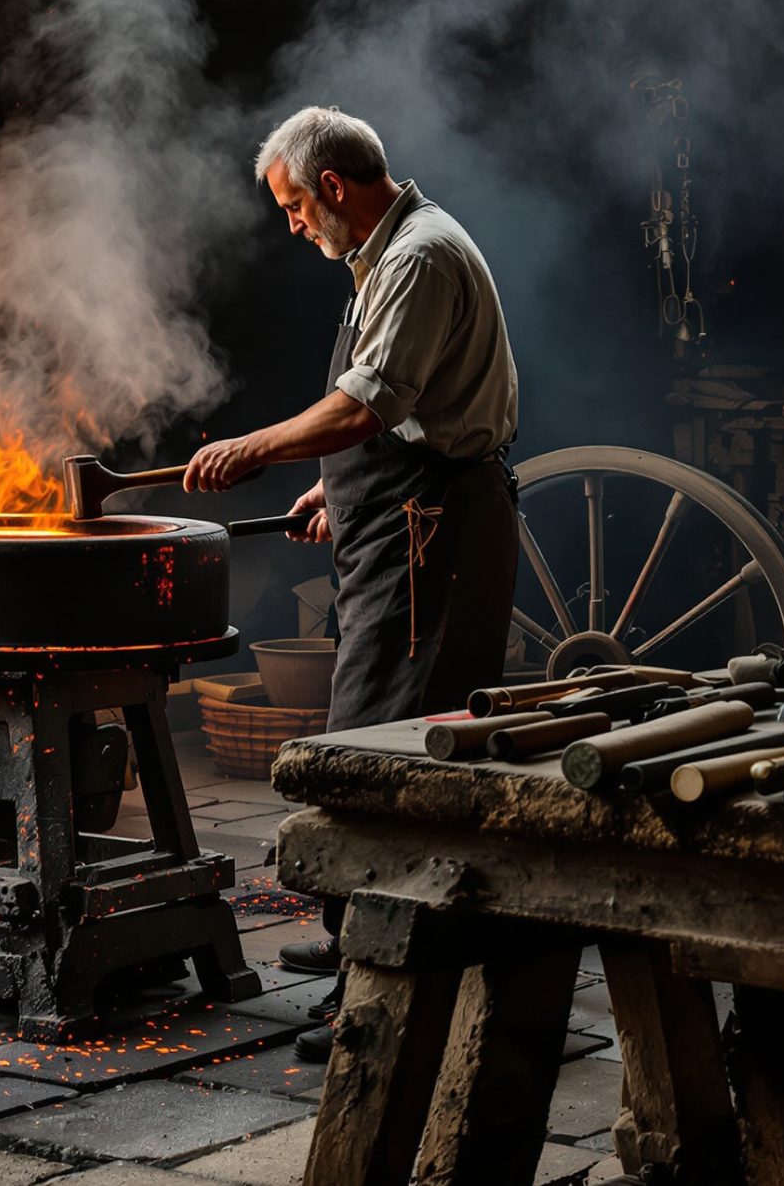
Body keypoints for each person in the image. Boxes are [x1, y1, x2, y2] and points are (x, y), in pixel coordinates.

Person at [185, 105, 521, 1061]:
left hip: (435, 531)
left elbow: (369, 402)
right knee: (373, 728)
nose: (293, 226)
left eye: (293, 207)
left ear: (331, 187)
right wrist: (333, 489)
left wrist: (255, 447)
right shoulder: (383, 252)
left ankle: (375, 988)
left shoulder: (416, 256)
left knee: (389, 747)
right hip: (403, 513)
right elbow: (401, 409)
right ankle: (355, 936)